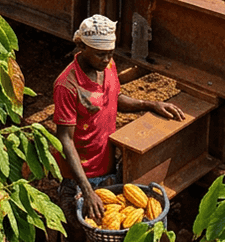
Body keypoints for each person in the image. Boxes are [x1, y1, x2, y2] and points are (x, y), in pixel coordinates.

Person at [53, 15, 185, 240]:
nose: (107, 59)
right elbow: (65, 138)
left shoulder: (108, 65)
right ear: (82, 46)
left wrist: (150, 104)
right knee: (78, 229)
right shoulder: (67, 85)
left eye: (110, 53)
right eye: (100, 54)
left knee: (108, 225)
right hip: (80, 175)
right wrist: (86, 190)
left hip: (106, 165)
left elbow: (114, 97)